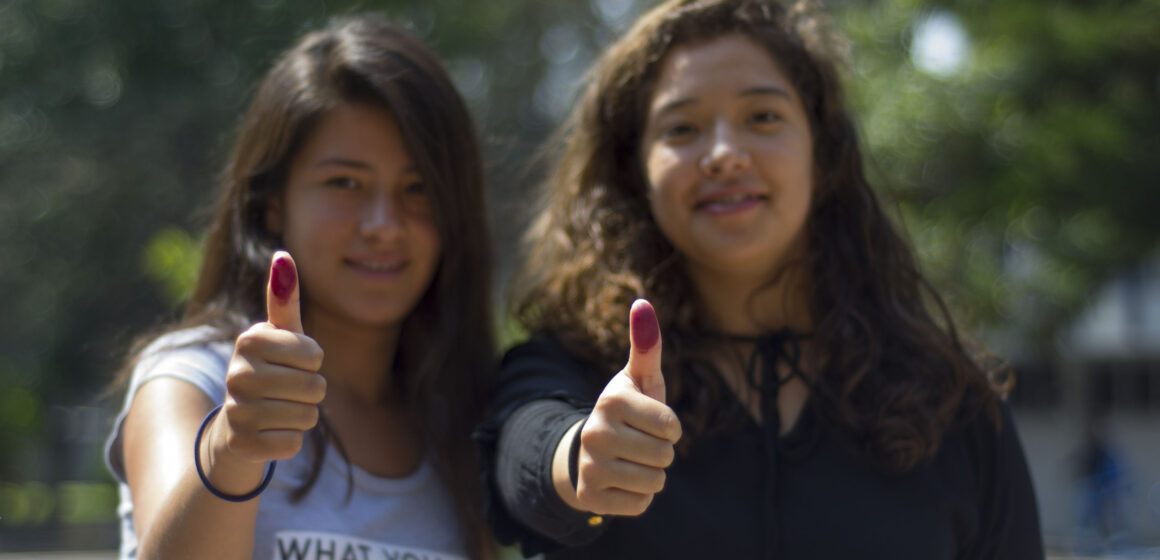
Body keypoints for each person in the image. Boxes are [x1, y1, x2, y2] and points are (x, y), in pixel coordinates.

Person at [477, 0, 1044, 558]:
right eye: (682, 128)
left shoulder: (952, 400)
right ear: (635, 172)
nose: (724, 154)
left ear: (823, 155)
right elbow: (523, 448)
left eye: (763, 117)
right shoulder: (575, 367)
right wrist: (583, 459)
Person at [104, 15, 496, 560]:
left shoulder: (460, 420)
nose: (384, 223)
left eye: (419, 189)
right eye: (345, 183)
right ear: (272, 204)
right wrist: (232, 447)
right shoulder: (194, 381)